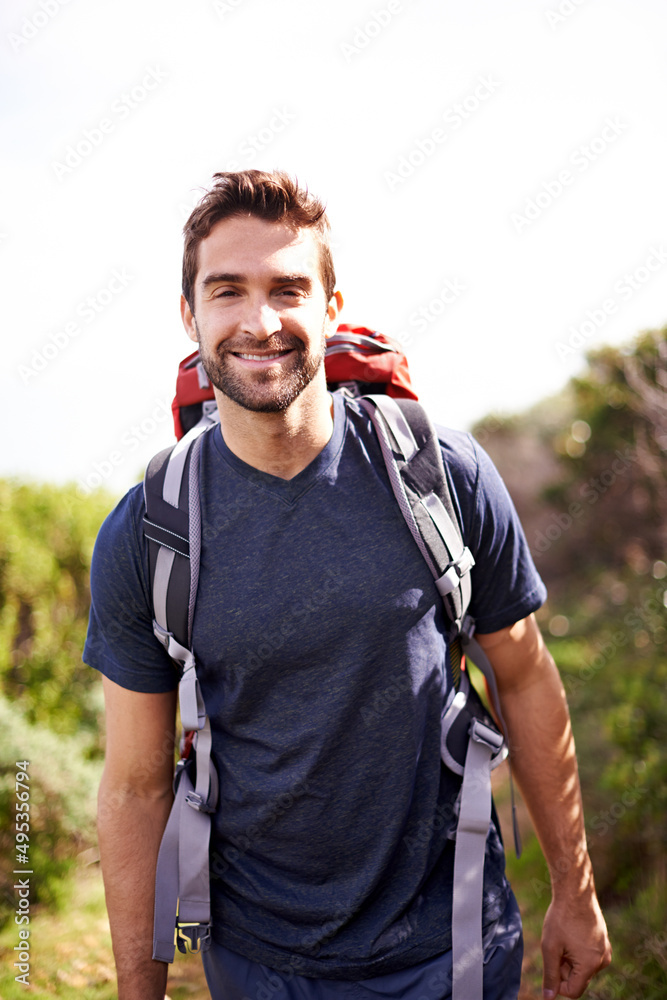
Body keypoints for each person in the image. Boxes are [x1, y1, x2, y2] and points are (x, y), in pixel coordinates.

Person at [84, 169, 611, 1000]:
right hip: (259, 962)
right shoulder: (149, 531)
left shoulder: (440, 475)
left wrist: (575, 896)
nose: (260, 321)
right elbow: (136, 785)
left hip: (458, 945)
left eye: (288, 288)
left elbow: (526, 678)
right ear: (190, 316)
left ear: (331, 308)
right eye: (228, 291)